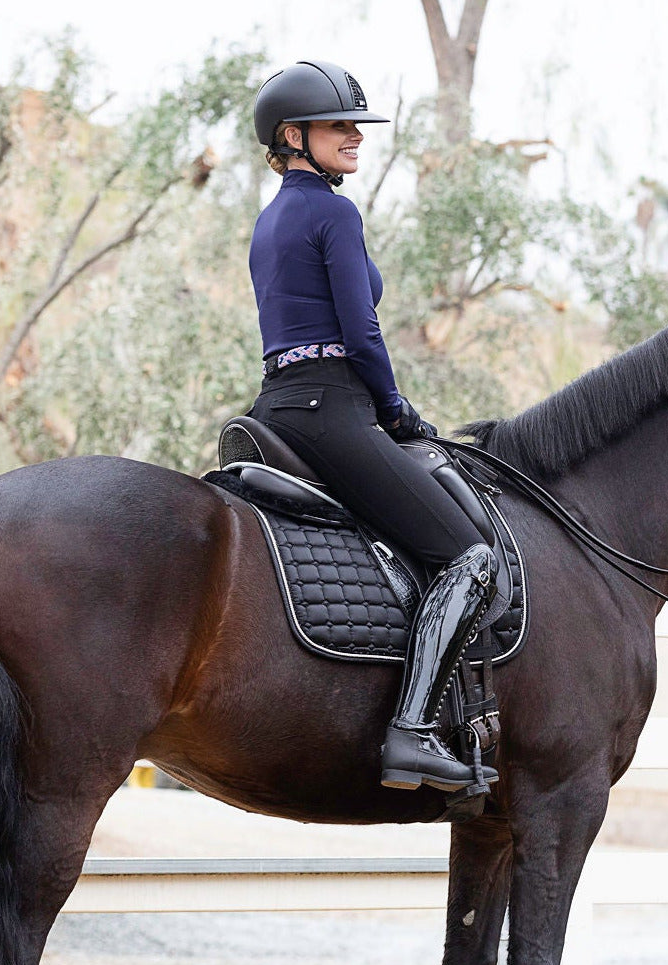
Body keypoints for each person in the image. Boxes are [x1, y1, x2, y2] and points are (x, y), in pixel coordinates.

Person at [248, 60, 499, 794]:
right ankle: (412, 732)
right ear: (292, 136)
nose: (355, 136)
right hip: (334, 408)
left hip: (280, 401)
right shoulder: (334, 213)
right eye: (338, 125)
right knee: (469, 556)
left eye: (356, 124)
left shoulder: (272, 218)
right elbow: (360, 332)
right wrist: (394, 408)